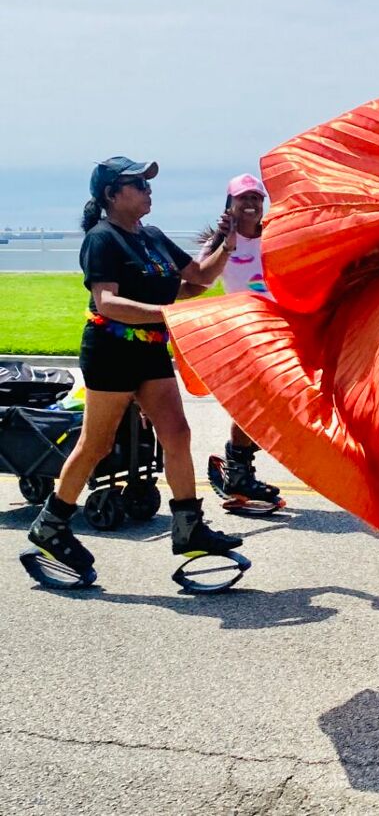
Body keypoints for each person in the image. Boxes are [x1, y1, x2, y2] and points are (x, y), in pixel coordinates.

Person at [22, 157, 243, 588]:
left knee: (177, 433)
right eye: (138, 183)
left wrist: (226, 245)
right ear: (111, 194)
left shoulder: (152, 237)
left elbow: (197, 279)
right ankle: (50, 524)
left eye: (147, 183)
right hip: (110, 351)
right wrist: (168, 315)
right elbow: (107, 302)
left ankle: (188, 528)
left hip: (150, 350)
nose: (148, 189)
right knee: (97, 444)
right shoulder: (102, 239)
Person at [194, 174, 284, 514]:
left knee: (271, 406)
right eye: (243, 198)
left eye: (257, 198)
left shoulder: (275, 236)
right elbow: (198, 280)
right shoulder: (221, 242)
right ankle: (238, 473)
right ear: (229, 205)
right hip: (243, 332)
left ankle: (238, 470)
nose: (251, 204)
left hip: (279, 331)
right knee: (252, 404)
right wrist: (224, 242)